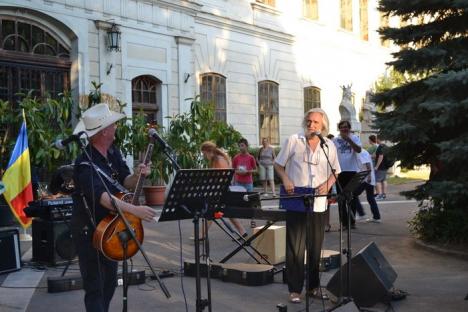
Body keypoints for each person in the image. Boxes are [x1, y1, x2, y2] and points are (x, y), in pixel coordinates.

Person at [71, 103, 157, 312]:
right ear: (103, 132)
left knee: (109, 283)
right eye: (113, 125)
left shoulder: (113, 153)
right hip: (89, 231)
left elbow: (125, 182)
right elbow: (104, 199)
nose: (116, 127)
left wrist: (138, 175)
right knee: (95, 287)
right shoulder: (84, 163)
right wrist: (134, 210)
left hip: (111, 228)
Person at [274, 108, 341, 304]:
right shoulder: (294, 140)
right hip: (296, 198)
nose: (311, 125)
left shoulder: (328, 145)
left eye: (316, 123)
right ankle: (295, 290)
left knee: (315, 247)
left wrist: (328, 185)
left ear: (323, 126)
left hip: (318, 202)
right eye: (309, 121)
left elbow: (335, 170)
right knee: (295, 248)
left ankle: (312, 287)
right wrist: (286, 178)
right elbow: (279, 164)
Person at [200, 141, 247, 239]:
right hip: (221, 189)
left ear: (209, 151)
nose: (204, 156)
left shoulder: (218, 159)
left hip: (221, 190)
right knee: (226, 211)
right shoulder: (216, 159)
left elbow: (222, 177)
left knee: (211, 212)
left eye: (204, 154)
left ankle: (202, 235)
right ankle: (242, 232)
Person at [332, 120, 362, 229]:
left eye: (346, 127)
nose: (344, 129)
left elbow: (358, 150)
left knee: (351, 197)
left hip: (352, 171)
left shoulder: (354, 138)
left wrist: (348, 139)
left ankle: (352, 222)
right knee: (341, 199)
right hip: (340, 172)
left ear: (349, 128)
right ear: (339, 129)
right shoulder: (335, 140)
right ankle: (344, 223)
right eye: (342, 127)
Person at [354, 149, 381, 222]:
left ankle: (362, 214)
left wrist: (369, 177)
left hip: (366, 179)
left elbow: (367, 164)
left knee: (353, 195)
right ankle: (376, 217)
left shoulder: (361, 152)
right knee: (370, 198)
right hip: (366, 178)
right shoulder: (362, 151)